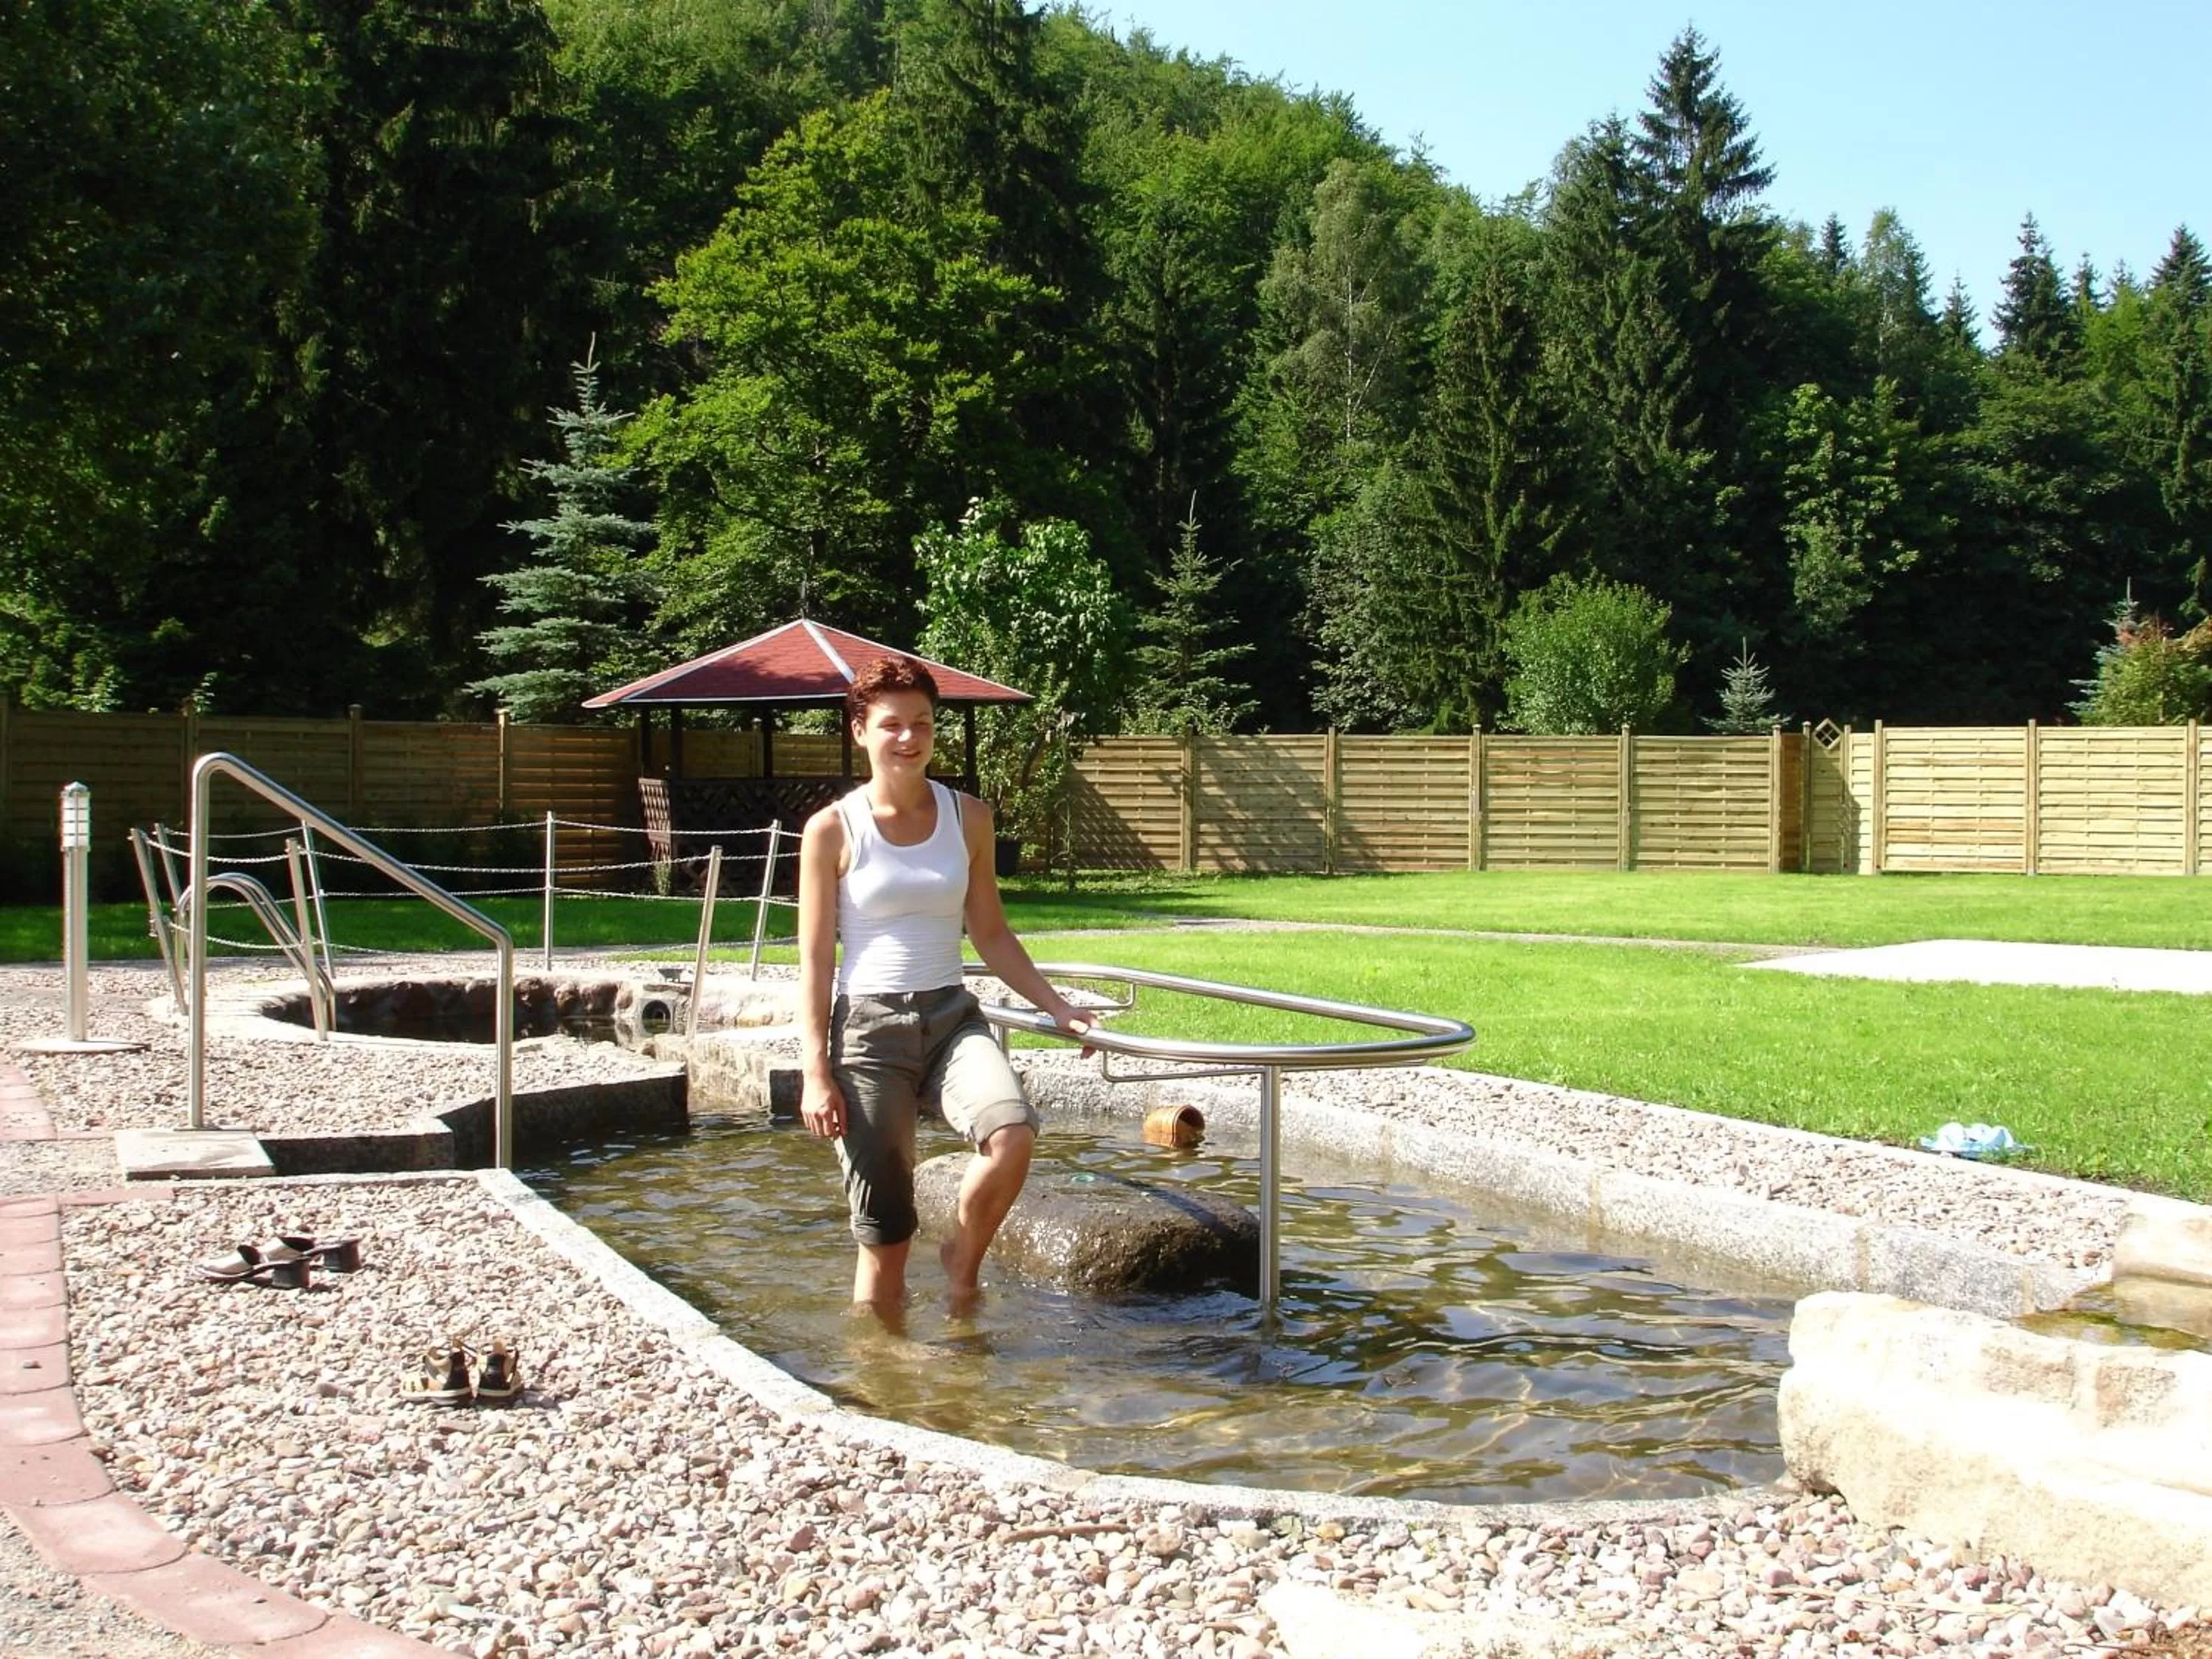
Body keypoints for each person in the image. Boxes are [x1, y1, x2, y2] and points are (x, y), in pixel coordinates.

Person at [796, 654, 1091, 1313]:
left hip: (953, 1018)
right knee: (886, 1234)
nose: (909, 738)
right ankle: (883, 1376)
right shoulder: (831, 830)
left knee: (1013, 1131)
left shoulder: (970, 818)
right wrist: (816, 1071)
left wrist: (1058, 1007)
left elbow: (991, 933)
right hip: (869, 1032)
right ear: (860, 733)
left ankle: (963, 1255)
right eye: (892, 724)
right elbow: (815, 959)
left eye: (922, 723)